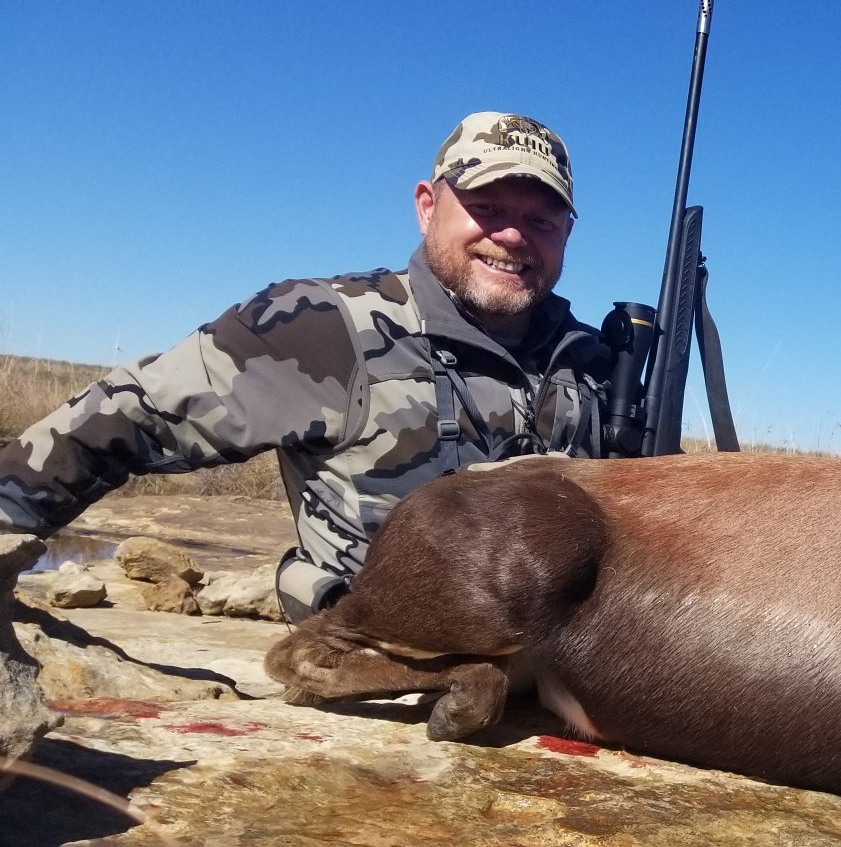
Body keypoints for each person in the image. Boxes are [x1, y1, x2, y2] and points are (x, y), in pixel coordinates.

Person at [0, 111, 614, 758]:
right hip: (368, 664)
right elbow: (124, 416)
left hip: (549, 671)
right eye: (487, 207)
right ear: (427, 206)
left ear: (567, 233)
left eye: (542, 220)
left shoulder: (592, 365)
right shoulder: (325, 327)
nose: (513, 235)